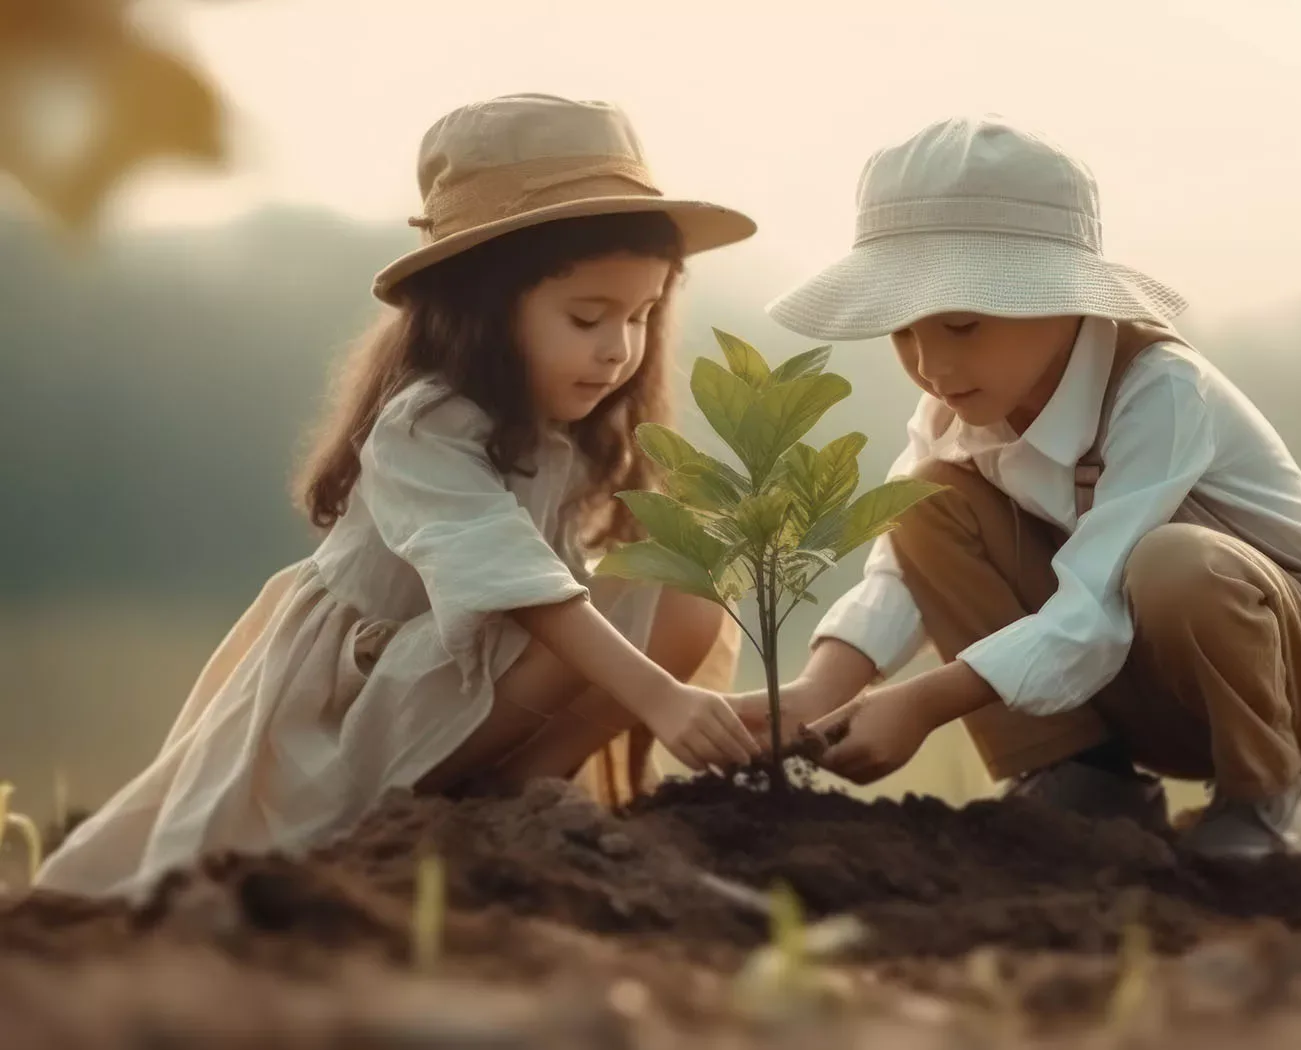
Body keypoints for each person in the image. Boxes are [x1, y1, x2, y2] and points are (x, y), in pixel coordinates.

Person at [37, 93, 760, 899]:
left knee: (686, 585)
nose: (619, 349)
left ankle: (520, 791)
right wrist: (658, 695)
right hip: (363, 708)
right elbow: (521, 587)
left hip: (470, 684)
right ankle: (485, 796)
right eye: (588, 318)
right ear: (482, 306)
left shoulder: (554, 432)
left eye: (641, 316)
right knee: (605, 614)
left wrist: (751, 709)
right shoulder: (426, 425)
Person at [743, 114, 1301, 859]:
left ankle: (1264, 794)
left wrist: (925, 703)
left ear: (1061, 298)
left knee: (1174, 562)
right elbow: (899, 574)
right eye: (904, 331)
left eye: (962, 325)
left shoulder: (1159, 391)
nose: (932, 366)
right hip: (1133, 687)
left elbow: (1094, 604)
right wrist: (816, 693)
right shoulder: (955, 409)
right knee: (923, 502)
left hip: (1297, 678)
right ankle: (1079, 775)